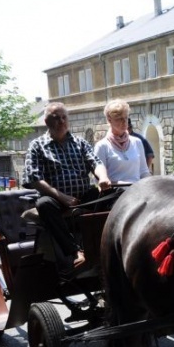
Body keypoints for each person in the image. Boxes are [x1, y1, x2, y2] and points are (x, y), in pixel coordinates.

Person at [25, 102, 111, 274]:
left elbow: (96, 162)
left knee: (110, 195)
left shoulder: (80, 143)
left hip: (82, 198)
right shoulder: (37, 146)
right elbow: (35, 179)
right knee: (43, 204)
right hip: (56, 201)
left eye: (64, 117)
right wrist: (62, 197)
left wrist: (103, 177)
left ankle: (104, 245)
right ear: (46, 121)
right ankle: (74, 252)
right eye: (56, 118)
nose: (61, 121)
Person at [95, 100, 151, 185]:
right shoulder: (102, 146)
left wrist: (153, 182)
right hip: (116, 191)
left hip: (137, 190)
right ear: (109, 120)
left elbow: (144, 172)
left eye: (126, 118)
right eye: (119, 119)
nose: (124, 122)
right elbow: (99, 178)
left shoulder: (137, 142)